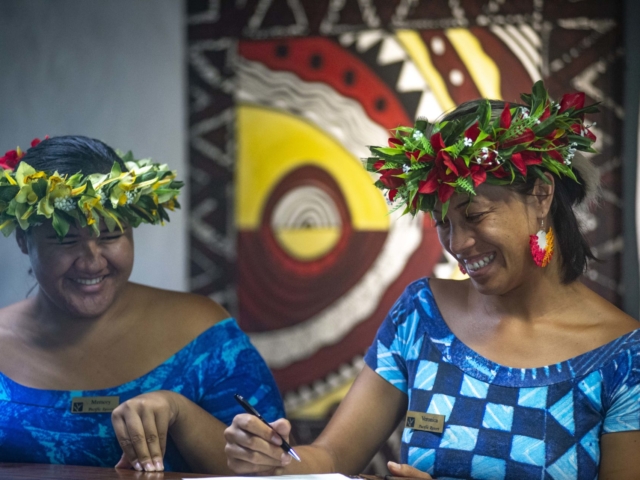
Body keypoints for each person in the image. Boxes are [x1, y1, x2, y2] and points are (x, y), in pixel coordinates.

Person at [223, 82, 640, 479]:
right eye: (443, 223)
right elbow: (333, 456)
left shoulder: (623, 357)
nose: (457, 243)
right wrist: (275, 461)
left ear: (541, 196)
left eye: (474, 216)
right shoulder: (422, 313)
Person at [0, 136, 284, 473]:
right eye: (65, 239)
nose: (91, 261)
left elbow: (275, 465)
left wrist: (180, 413)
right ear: (23, 239)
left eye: (110, 236)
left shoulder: (203, 334)